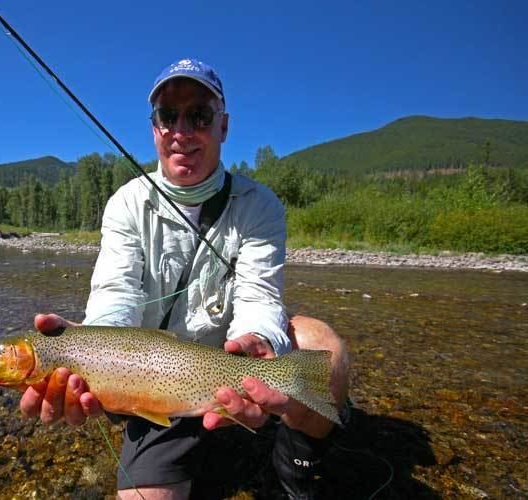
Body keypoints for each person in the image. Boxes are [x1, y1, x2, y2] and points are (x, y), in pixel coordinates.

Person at [20, 58, 350, 500]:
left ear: (223, 126)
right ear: (154, 127)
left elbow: (259, 295)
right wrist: (91, 348)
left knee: (322, 348)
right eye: (167, 115)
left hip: (234, 362)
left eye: (198, 115)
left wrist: (257, 339)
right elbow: (116, 294)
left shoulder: (259, 205)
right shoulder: (126, 203)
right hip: (151, 377)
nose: (182, 130)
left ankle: (296, 466)